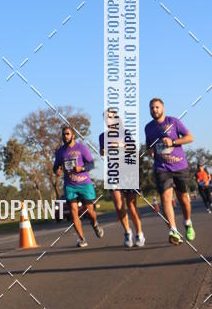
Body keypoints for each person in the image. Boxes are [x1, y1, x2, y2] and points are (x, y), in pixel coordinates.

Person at [145, 98, 194, 244]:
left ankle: (187, 223)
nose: (155, 110)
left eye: (157, 107)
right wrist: (151, 151)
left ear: (163, 108)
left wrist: (173, 142)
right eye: (152, 108)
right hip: (162, 168)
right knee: (166, 198)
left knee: (183, 199)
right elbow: (149, 145)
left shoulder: (174, 122)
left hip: (180, 166)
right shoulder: (148, 127)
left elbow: (190, 137)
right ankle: (173, 230)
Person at [99, 112, 145, 248]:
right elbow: (103, 152)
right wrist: (103, 151)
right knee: (119, 206)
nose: (109, 119)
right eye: (106, 117)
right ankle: (127, 232)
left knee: (131, 206)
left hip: (128, 171)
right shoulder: (102, 136)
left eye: (111, 116)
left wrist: (119, 145)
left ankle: (139, 234)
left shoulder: (125, 132)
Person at [54, 125, 104, 247]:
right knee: (73, 212)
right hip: (69, 185)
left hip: (84, 184)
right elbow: (55, 167)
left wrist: (81, 168)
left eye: (67, 134)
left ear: (73, 135)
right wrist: (57, 170)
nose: (65, 136)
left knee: (90, 211)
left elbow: (91, 164)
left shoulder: (81, 148)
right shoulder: (60, 152)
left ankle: (95, 224)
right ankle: (82, 239)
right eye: (63, 134)